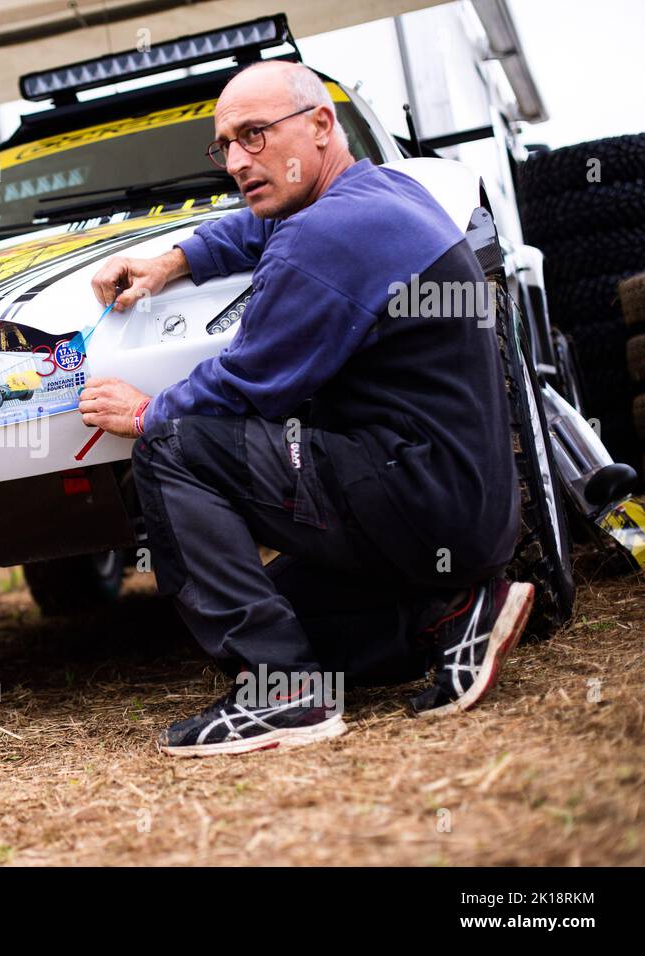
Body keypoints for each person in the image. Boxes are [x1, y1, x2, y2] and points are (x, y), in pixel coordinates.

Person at [78, 61, 532, 757]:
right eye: (225, 144)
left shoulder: (324, 237)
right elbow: (257, 230)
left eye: (254, 135)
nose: (236, 160)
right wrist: (172, 260)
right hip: (457, 507)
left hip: (416, 492)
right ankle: (448, 614)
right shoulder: (376, 191)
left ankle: (282, 693)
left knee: (172, 446)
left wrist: (146, 411)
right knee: (285, 608)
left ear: (321, 126)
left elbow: (244, 387)